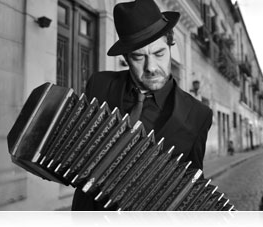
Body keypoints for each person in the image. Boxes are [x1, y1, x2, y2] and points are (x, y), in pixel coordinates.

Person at [71, 0, 213, 210]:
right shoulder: (99, 85)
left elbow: (191, 186)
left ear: (170, 46)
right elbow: (74, 150)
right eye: (139, 57)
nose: (151, 67)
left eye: (159, 53)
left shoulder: (199, 115)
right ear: (127, 58)